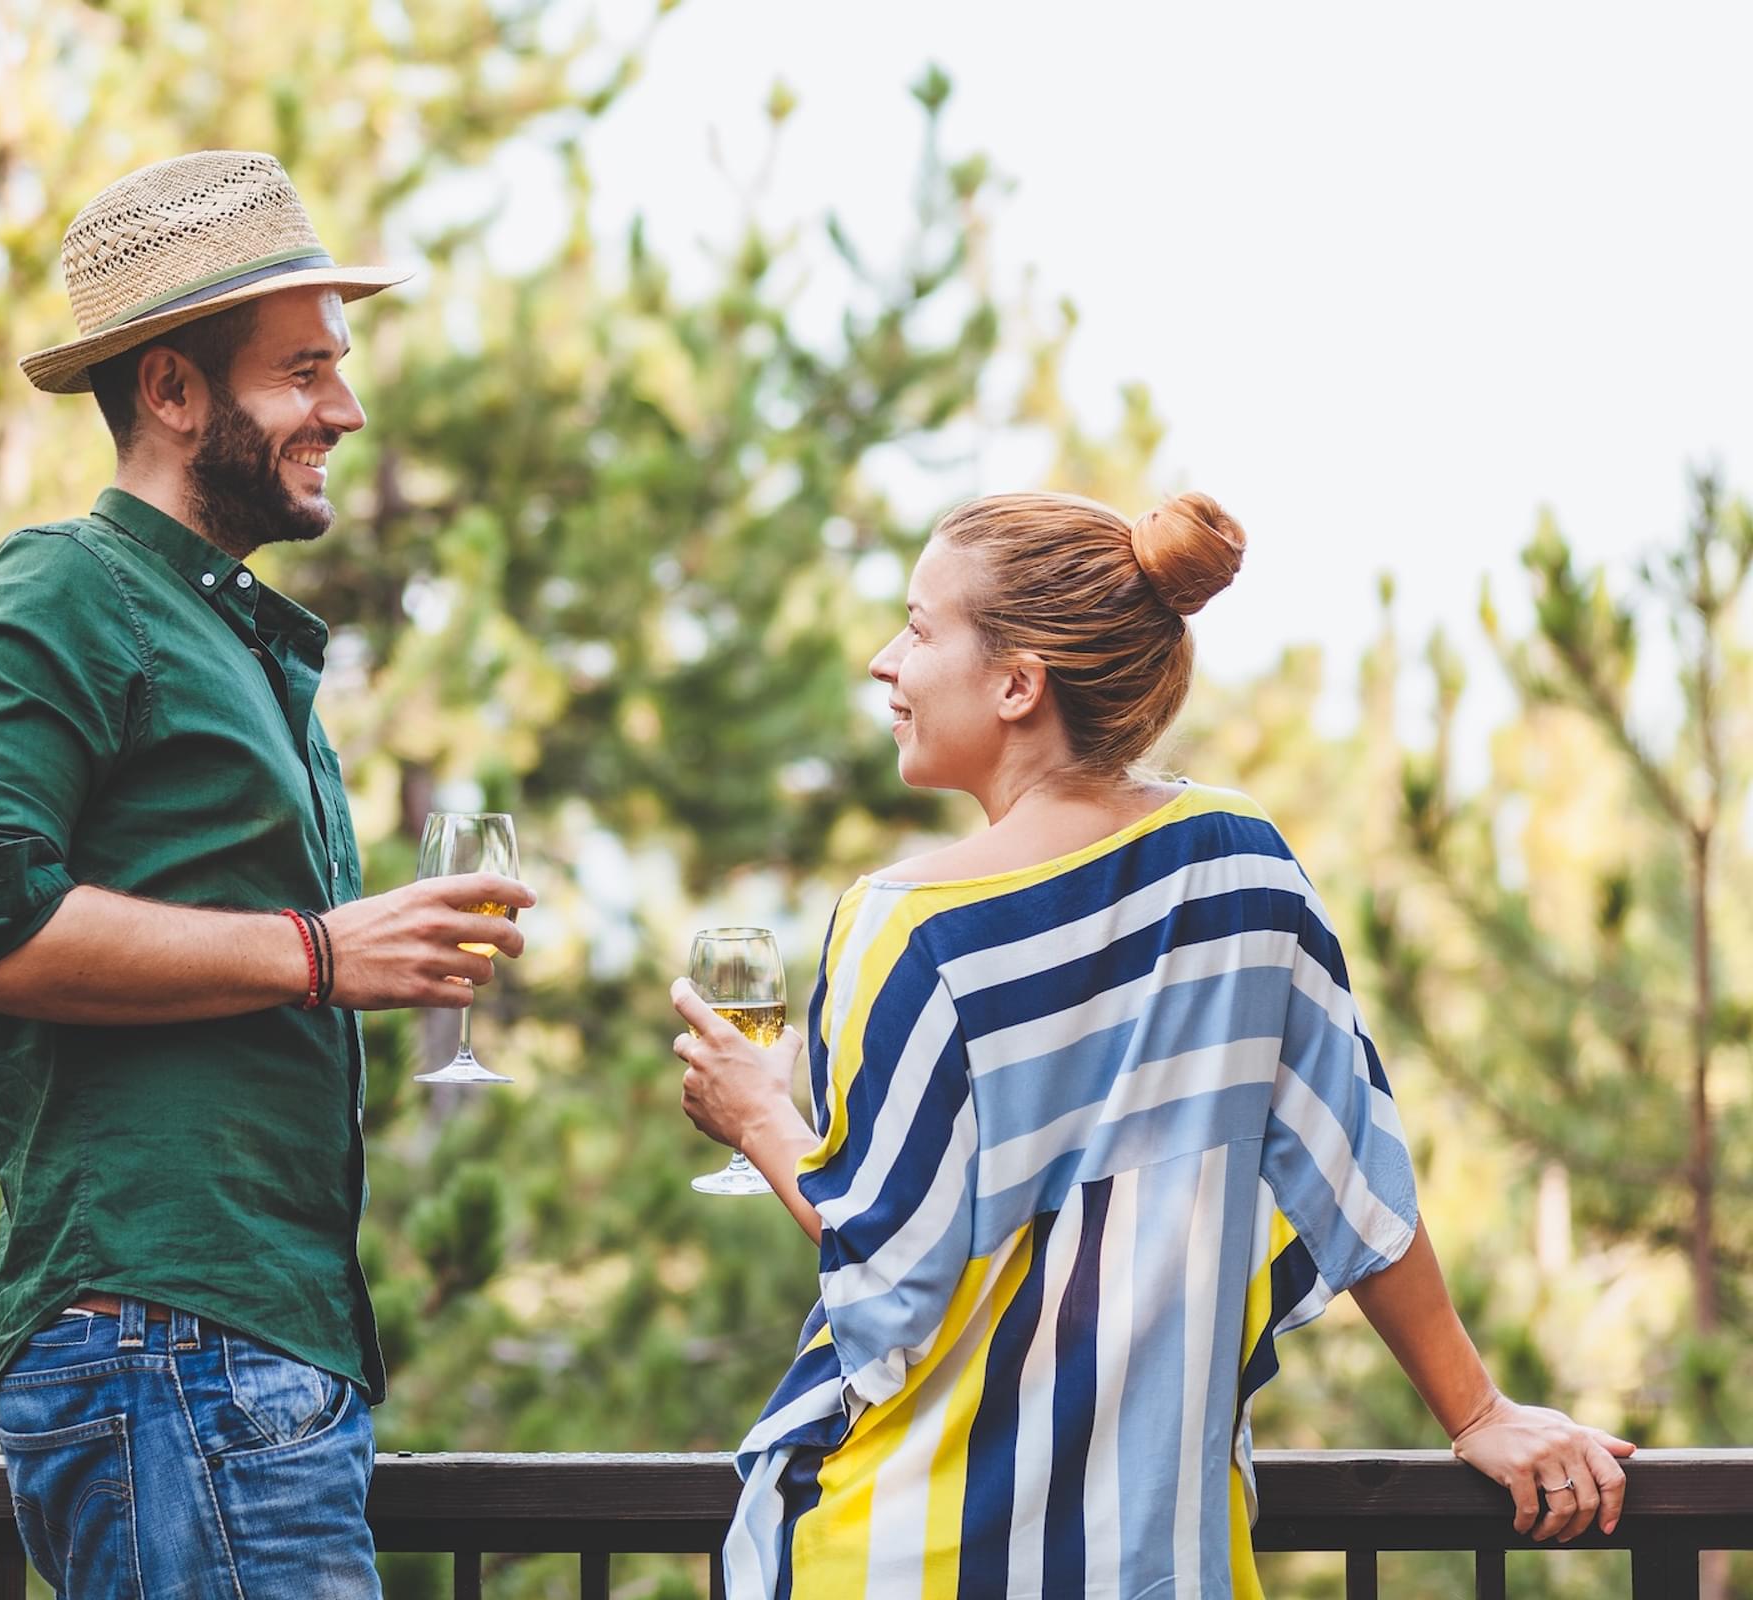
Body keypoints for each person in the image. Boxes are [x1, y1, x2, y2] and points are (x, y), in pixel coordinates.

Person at [669, 491, 1633, 1597]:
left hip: (902, 1552)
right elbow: (1351, 1168)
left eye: (920, 628)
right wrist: (1479, 1409)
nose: (888, 663)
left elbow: (886, 1270)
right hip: (1159, 1561)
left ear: (1018, 683)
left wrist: (759, 1119)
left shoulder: (903, 922)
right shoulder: (1240, 864)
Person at [0, 150, 532, 1599]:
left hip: (232, 1357)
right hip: (171, 1343)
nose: (346, 410)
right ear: (172, 391)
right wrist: (319, 954)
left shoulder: (237, 640)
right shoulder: (63, 588)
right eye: (303, 371)